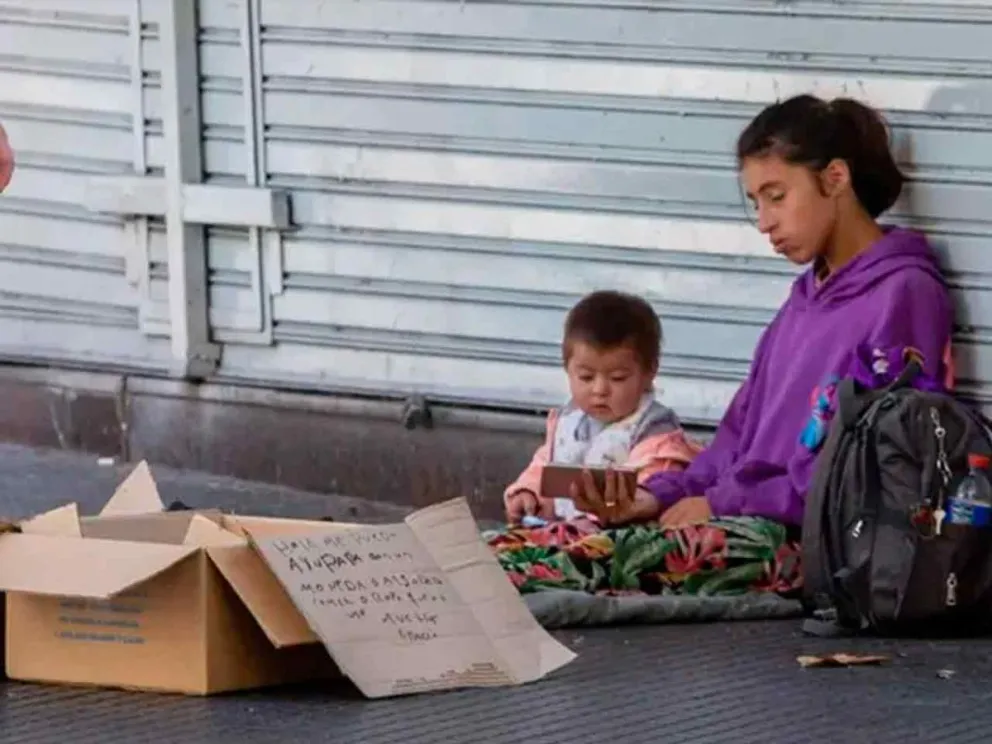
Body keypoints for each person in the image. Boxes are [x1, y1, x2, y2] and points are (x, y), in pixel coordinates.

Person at [568, 93, 954, 538]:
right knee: (520, 553)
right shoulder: (803, 301)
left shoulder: (903, 294)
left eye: (777, 197)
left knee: (562, 574)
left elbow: (866, 471)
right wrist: (657, 496)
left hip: (801, 547)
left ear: (835, 178)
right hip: (732, 520)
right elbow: (734, 442)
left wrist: (720, 503)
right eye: (756, 203)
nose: (764, 222)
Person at [502, 289, 701, 526]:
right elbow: (545, 467)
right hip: (560, 535)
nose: (600, 390)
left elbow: (652, 486)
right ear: (567, 369)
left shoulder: (655, 433)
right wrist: (528, 494)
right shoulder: (570, 420)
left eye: (617, 378)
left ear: (649, 373)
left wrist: (607, 516)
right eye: (586, 377)